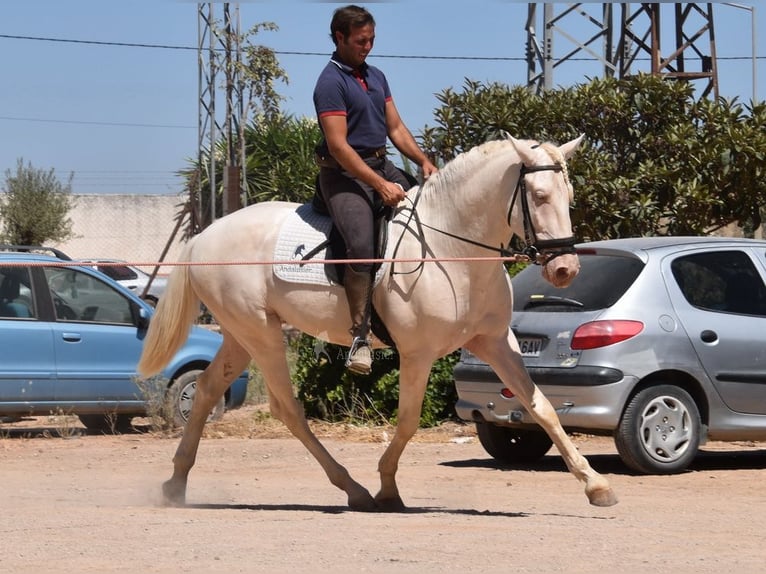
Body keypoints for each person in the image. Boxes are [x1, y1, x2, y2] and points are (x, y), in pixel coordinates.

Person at [313, 4, 438, 375]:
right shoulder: (330, 82)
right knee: (362, 247)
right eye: (360, 40)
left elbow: (396, 129)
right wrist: (380, 184)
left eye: (371, 40)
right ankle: (360, 338)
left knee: (429, 217)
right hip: (345, 176)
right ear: (339, 38)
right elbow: (339, 146)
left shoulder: (377, 76)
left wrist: (423, 161)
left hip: (382, 164)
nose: (368, 46)